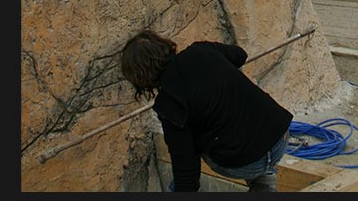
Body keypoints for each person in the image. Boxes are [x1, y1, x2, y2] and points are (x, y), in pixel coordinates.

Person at [120, 30, 293, 192]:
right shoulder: (200, 50)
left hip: (244, 163)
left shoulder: (169, 105)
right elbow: (240, 55)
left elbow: (186, 170)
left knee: (192, 145)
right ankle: (264, 180)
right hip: (280, 135)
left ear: (141, 78)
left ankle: (260, 172)